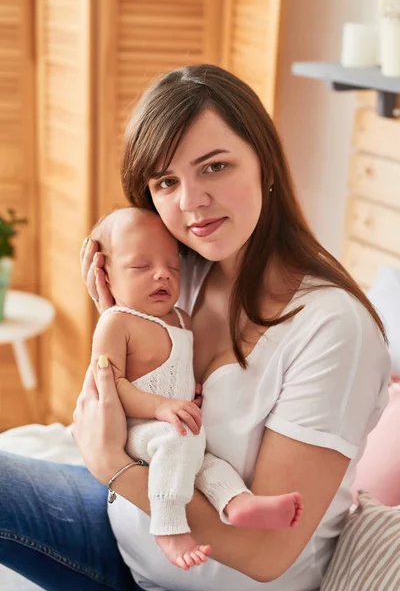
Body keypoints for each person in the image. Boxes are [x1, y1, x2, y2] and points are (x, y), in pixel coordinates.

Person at [0, 64, 391, 591]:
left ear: (266, 165)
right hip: (122, 531)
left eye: (214, 167)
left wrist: (110, 466)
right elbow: (141, 401)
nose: (190, 203)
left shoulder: (333, 329)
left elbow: (267, 551)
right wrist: (119, 321)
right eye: (166, 181)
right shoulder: (180, 272)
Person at [88, 206, 303, 570]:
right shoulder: (116, 322)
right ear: (105, 274)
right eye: (141, 267)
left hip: (173, 429)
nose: (162, 274)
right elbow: (110, 384)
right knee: (181, 442)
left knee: (204, 461)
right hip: (135, 430)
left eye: (173, 267)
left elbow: (176, 372)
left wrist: (190, 391)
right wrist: (159, 406)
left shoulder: (182, 318)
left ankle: (237, 504)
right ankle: (168, 526)